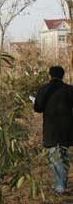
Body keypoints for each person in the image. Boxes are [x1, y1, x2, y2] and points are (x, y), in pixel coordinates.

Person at [34, 66, 73, 195]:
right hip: (67, 130)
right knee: (64, 157)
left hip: (51, 130)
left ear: (50, 75)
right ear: (63, 75)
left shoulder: (43, 90)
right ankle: (61, 184)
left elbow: (38, 108)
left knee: (55, 159)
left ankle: (60, 187)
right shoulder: (69, 89)